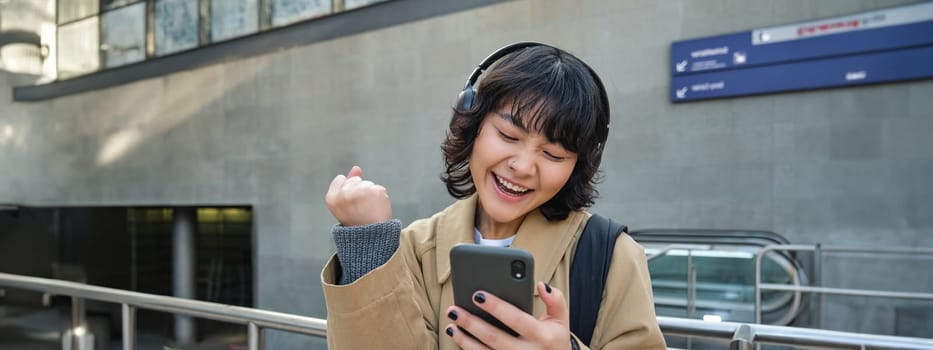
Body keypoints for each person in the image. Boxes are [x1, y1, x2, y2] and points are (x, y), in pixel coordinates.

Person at [320, 43, 666, 350]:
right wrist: (367, 244)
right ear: (473, 125)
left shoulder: (610, 255)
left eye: (554, 155)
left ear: (577, 166)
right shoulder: (415, 248)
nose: (524, 166)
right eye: (508, 135)